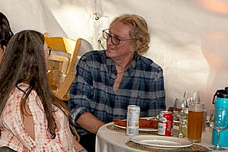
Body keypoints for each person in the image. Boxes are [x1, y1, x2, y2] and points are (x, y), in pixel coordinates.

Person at [0, 31, 94, 152]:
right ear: (36, 59)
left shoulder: (11, 91)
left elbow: (59, 133)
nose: (49, 56)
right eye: (47, 51)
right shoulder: (27, 100)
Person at [66, 14, 165, 144]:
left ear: (136, 44)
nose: (109, 42)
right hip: (91, 138)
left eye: (117, 39)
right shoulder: (90, 61)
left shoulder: (152, 73)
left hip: (132, 142)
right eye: (109, 35)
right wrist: (109, 134)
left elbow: (155, 121)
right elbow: (77, 109)